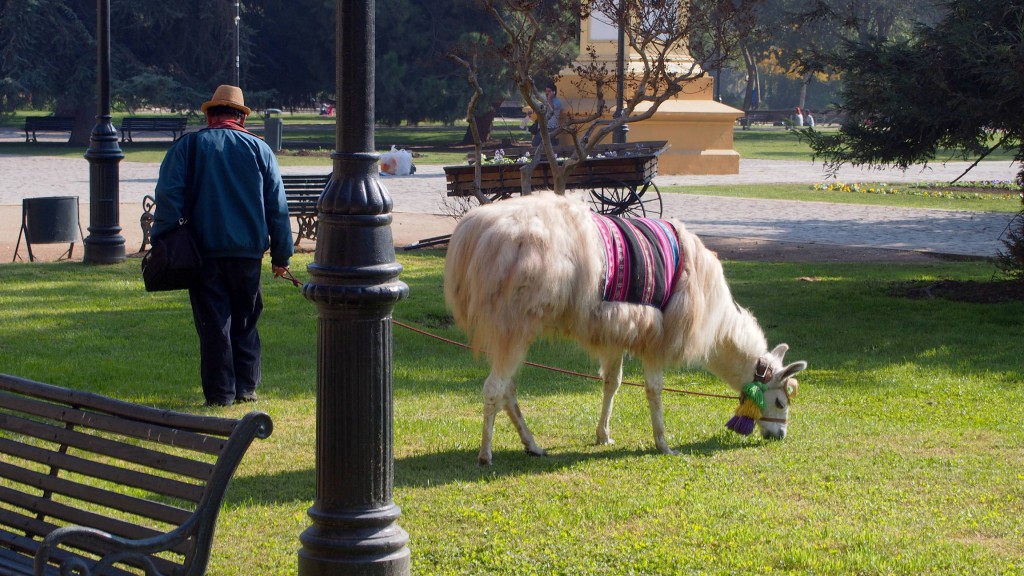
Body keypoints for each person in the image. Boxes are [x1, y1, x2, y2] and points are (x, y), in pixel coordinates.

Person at [152, 84, 294, 407]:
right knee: (246, 321)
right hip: (248, 255)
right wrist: (282, 255)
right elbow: (278, 207)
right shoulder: (261, 151)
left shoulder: (188, 147)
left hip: (204, 253)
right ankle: (246, 388)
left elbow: (168, 196)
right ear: (241, 118)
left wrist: (163, 239)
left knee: (214, 323)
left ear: (210, 114)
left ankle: (220, 395)